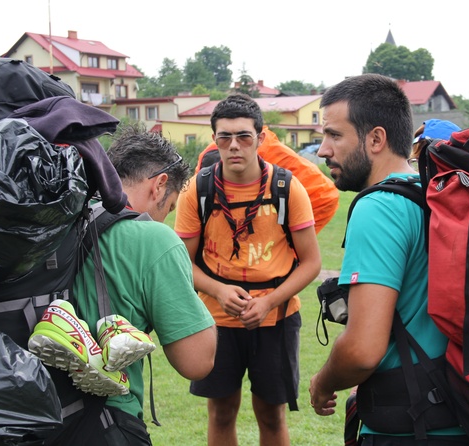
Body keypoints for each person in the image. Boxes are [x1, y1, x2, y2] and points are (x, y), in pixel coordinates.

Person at [29, 121, 217, 445]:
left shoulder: (55, 218)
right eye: (169, 208)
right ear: (159, 185)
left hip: (23, 412)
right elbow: (197, 361)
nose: (165, 217)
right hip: (106, 419)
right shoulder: (155, 239)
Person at [308, 74, 469, 445]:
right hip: (465, 414)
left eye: (334, 135)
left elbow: (363, 350)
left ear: (376, 139)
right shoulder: (432, 194)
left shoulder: (378, 208)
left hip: (407, 426)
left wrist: (323, 382)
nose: (322, 150)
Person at [175, 93, 322, 446]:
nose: (234, 145)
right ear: (215, 140)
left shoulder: (286, 188)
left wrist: (269, 301)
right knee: (221, 412)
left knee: (272, 415)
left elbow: (312, 263)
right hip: (215, 318)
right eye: (224, 137)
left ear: (260, 137)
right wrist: (219, 291)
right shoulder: (198, 189)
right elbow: (181, 263)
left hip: (277, 317)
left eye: (243, 136)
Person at [195, 126, 340, 234]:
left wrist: (282, 239)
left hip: (314, 199)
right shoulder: (206, 164)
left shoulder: (268, 154)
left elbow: (326, 196)